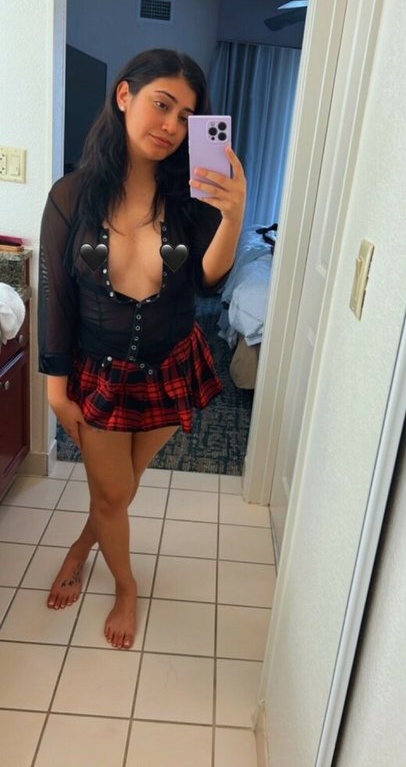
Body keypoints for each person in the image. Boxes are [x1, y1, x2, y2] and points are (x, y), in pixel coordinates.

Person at [38, 48, 246, 649]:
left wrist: (233, 215)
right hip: (100, 373)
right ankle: (126, 586)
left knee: (120, 489)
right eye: (162, 104)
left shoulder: (191, 197)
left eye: (187, 116)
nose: (172, 125)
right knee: (113, 492)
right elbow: (55, 293)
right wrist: (55, 387)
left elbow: (207, 281)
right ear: (124, 95)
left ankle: (84, 545)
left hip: (171, 365)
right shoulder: (71, 196)